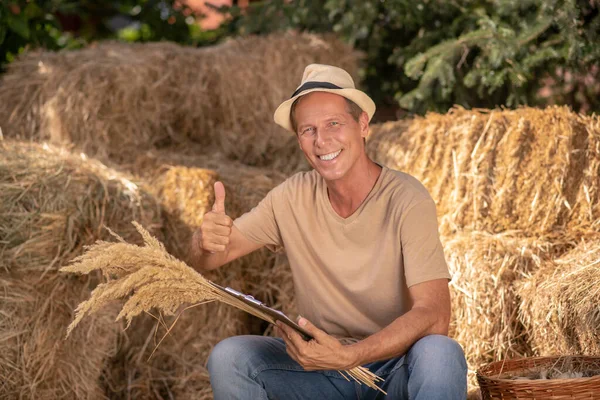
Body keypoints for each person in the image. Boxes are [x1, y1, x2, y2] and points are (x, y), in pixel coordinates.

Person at [189, 64, 467, 399]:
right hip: (321, 371)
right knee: (230, 357)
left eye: (334, 123)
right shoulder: (290, 197)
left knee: (440, 353)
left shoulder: (406, 197)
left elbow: (435, 315)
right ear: (298, 140)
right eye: (308, 130)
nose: (322, 141)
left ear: (363, 125)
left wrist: (351, 355)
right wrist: (204, 240)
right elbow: (211, 257)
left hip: (395, 370)